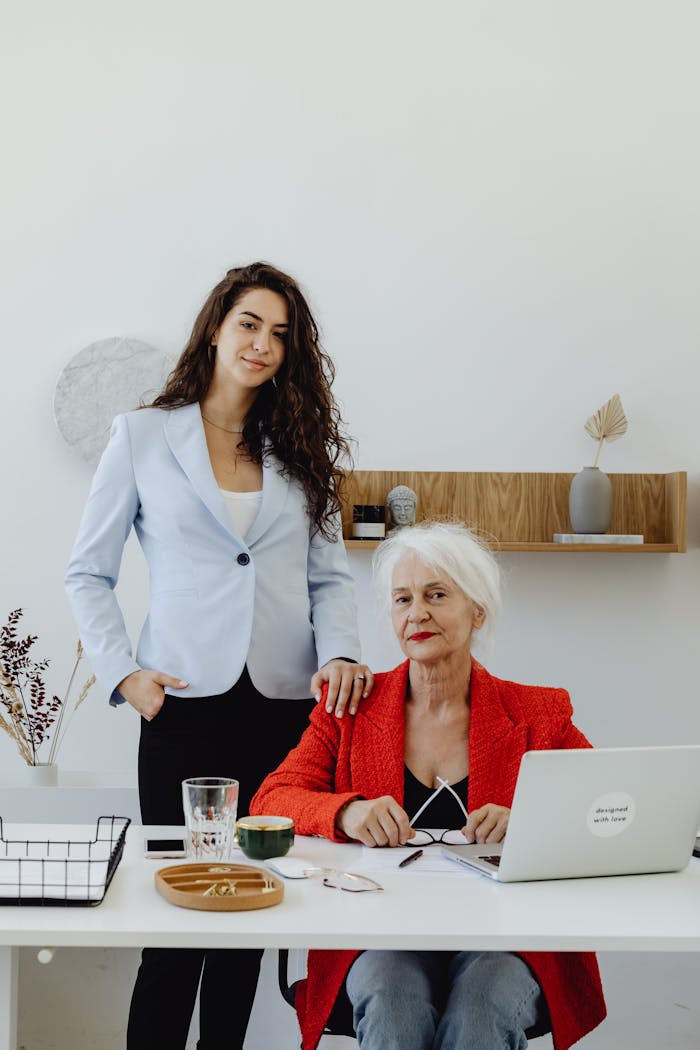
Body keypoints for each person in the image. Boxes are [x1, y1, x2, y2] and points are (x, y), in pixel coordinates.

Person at [64, 261, 373, 1050]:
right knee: (177, 922)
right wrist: (125, 674)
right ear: (214, 326)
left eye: (280, 334)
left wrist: (341, 652)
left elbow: (329, 577)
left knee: (247, 919)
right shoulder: (140, 435)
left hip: (282, 710)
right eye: (249, 324)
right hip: (181, 703)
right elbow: (87, 572)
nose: (263, 344)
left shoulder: (302, 450)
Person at [251, 521, 607, 1050]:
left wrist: (529, 819)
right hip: (379, 935)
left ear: (476, 611)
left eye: (436, 595)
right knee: (392, 999)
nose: (416, 612)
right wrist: (348, 812)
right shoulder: (351, 709)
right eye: (402, 599)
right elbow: (272, 798)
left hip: (506, 939)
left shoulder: (537, 713)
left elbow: (604, 806)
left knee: (484, 1003)